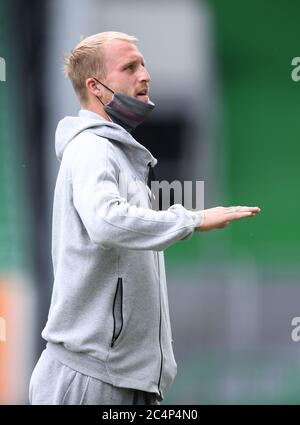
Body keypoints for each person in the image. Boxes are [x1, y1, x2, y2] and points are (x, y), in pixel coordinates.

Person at [29, 31, 260, 405]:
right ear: (96, 87)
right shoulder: (92, 148)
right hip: (91, 380)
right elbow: (106, 221)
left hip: (123, 380)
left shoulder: (114, 152)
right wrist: (192, 220)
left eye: (144, 64)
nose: (145, 75)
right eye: (130, 67)